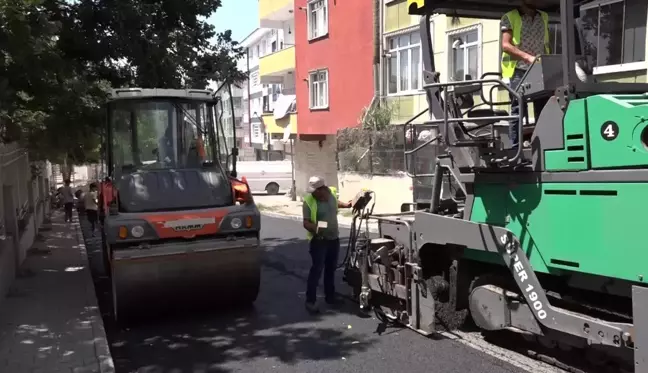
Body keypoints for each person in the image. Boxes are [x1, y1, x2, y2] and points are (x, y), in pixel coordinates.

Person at [500, 0, 551, 149]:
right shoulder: (510, 17)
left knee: (542, 107)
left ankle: (543, 145)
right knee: (518, 108)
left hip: (540, 68)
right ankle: (514, 148)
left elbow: (545, 43)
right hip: (518, 70)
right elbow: (506, 45)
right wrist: (527, 57)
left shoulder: (544, 16)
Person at [302, 176, 352, 314]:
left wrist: (347, 205)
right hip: (319, 241)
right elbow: (305, 222)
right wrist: (316, 228)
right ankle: (310, 301)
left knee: (331, 268)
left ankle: (330, 297)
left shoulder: (331, 194)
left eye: (315, 191)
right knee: (316, 270)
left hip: (333, 239)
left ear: (322, 189)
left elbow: (335, 203)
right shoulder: (308, 201)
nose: (312, 193)